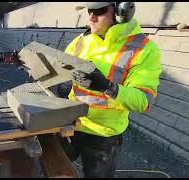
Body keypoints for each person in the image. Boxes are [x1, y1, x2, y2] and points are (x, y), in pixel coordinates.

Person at [59, 2, 162, 178]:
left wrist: (107, 87)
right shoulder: (81, 40)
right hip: (71, 123)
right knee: (57, 169)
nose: (91, 17)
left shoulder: (143, 48)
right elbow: (60, 70)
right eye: (89, 10)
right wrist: (34, 65)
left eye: (98, 11)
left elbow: (143, 101)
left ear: (122, 11)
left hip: (103, 136)